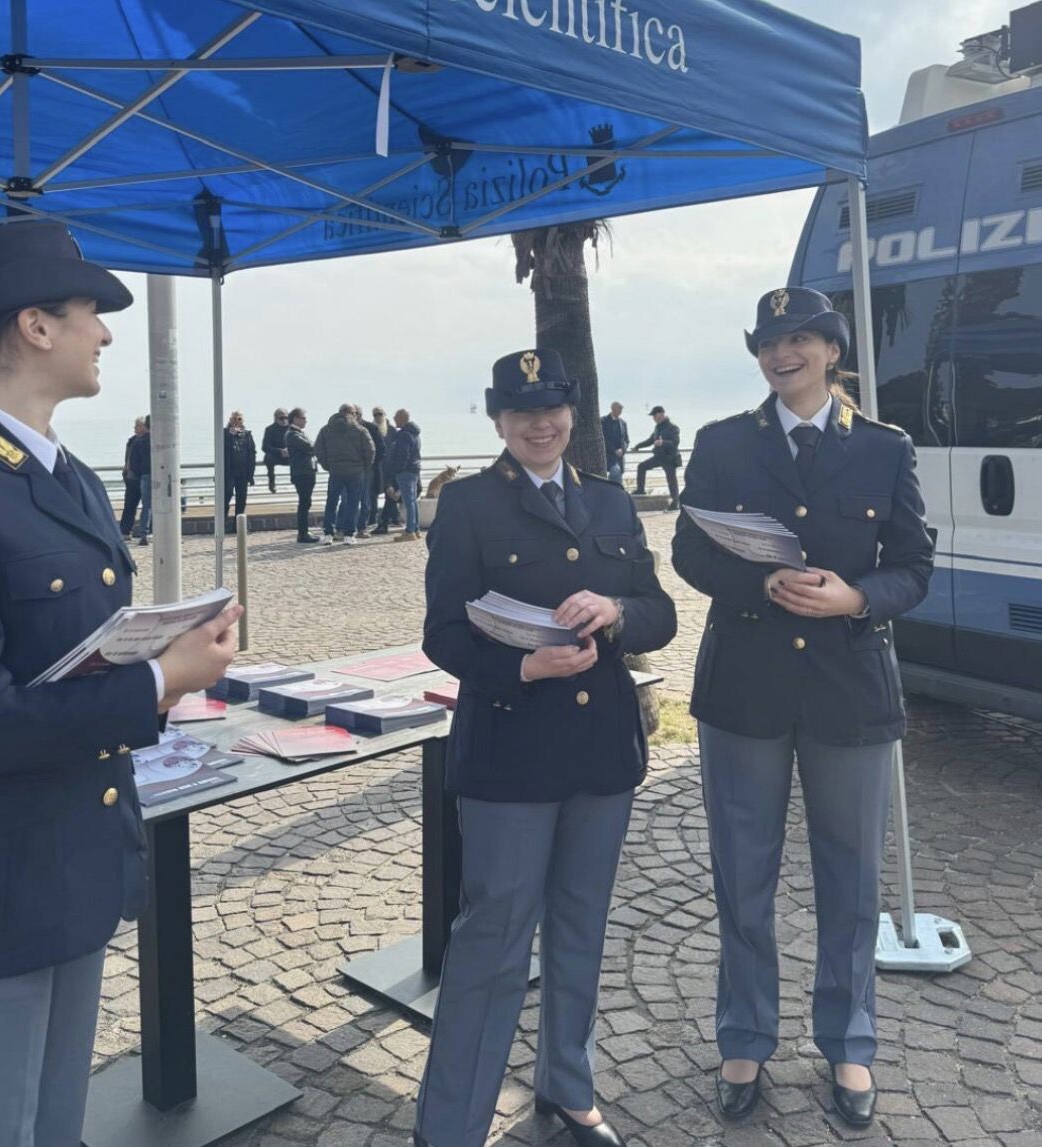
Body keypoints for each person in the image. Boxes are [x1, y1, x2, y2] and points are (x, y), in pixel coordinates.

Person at [0, 220, 242, 1147]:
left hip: (69, 870)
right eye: (89, 313)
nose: (105, 333)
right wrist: (157, 678)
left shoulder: (65, 473)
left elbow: (74, 657)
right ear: (34, 326)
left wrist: (162, 659)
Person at [671, 288, 934, 1129]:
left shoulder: (884, 448)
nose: (780, 355)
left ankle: (848, 1043)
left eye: (797, 340)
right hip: (742, 687)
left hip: (848, 690)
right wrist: (761, 582)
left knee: (849, 881)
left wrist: (856, 596)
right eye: (767, 343)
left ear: (830, 350)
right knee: (741, 874)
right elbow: (686, 549)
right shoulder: (721, 442)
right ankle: (744, 1035)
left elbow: (913, 566)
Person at [414, 348, 677, 1147]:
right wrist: (523, 667)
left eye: (553, 409)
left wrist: (618, 611)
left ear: (572, 414)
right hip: (510, 754)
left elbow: (659, 612)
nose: (540, 424)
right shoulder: (466, 505)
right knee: (492, 940)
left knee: (580, 929)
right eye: (522, 412)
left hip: (600, 755)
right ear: (498, 420)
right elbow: (442, 633)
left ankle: (567, 1088)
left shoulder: (608, 499)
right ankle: (450, 1126)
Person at [313, 403, 374, 545]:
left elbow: (319, 449)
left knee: (331, 502)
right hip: (356, 471)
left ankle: (328, 533)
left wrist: (327, 465)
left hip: (335, 470)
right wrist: (364, 466)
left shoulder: (326, 430)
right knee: (353, 503)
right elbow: (370, 450)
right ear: (352, 413)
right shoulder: (360, 430)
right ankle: (349, 535)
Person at [633, 405, 680, 508]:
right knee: (641, 466)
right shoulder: (657, 428)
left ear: (662, 414)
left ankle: (675, 503)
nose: (654, 418)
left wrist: (663, 442)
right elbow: (650, 440)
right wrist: (638, 446)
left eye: (655, 415)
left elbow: (675, 443)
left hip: (669, 458)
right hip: (658, 457)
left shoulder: (673, 428)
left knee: (671, 480)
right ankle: (640, 490)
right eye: (653, 416)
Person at [387, 408, 422, 541]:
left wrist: (397, 470)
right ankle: (415, 529)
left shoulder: (404, 435)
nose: (394, 419)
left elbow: (403, 455)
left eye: (396, 417)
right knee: (412, 501)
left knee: (408, 502)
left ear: (402, 418)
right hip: (414, 470)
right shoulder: (415, 434)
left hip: (406, 471)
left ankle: (410, 531)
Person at [285, 406, 319, 543]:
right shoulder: (292, 435)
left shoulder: (299, 433)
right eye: (303, 418)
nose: (306, 421)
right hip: (302, 473)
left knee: (306, 502)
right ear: (295, 419)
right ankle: (303, 533)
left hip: (307, 471)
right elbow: (310, 447)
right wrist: (315, 446)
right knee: (304, 502)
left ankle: (304, 531)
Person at [223, 409, 257, 528]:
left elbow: (252, 454)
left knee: (241, 499)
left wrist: (251, 474)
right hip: (229, 472)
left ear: (242, 421)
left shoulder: (247, 435)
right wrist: (230, 435)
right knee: (226, 495)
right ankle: (222, 523)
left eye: (239, 419)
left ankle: (237, 526)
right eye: (234, 418)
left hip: (243, 472)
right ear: (230, 420)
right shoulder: (224, 433)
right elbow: (221, 449)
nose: (237, 421)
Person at [356, 404, 386, 536]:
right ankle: (349, 526)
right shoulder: (348, 429)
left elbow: (381, 448)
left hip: (368, 468)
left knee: (367, 497)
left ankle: (364, 525)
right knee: (350, 498)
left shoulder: (371, 428)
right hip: (353, 468)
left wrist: (372, 464)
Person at [119, 416, 146, 538]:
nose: (134, 428)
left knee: (147, 506)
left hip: (141, 477)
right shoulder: (132, 441)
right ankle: (125, 531)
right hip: (131, 479)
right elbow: (128, 458)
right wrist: (126, 472)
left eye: (137, 426)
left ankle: (145, 531)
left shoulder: (148, 440)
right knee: (129, 506)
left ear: (143, 427)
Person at [128, 412, 152, 545]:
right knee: (166, 504)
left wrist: (140, 474)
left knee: (146, 506)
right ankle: (167, 532)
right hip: (161, 475)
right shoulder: (161, 440)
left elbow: (133, 463)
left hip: (145, 476)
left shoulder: (139, 442)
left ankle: (144, 534)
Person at [261, 408, 289, 493]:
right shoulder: (270, 429)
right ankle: (272, 482)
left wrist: (289, 451)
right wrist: (280, 451)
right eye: (281, 418)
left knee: (300, 457)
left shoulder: (292, 429)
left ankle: (296, 479)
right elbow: (265, 447)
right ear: (276, 419)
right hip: (276, 455)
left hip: (290, 455)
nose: (284, 420)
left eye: (286, 418)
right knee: (268, 458)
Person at [601, 401, 629, 484]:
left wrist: (623, 450)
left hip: (620, 457)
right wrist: (614, 450)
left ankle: (615, 490)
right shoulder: (603, 421)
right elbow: (603, 439)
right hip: (607, 455)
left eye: (621, 409)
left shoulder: (623, 423)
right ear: (613, 408)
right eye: (619, 408)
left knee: (618, 475)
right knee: (615, 472)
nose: (620, 411)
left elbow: (626, 440)